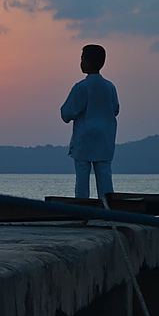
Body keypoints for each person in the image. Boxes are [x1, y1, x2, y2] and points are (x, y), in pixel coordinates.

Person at [60, 44, 119, 200]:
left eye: (82, 59)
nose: (80, 62)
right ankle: (108, 211)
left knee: (82, 181)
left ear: (87, 61)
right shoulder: (110, 87)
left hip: (84, 142)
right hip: (105, 141)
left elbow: (66, 113)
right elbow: (116, 109)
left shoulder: (81, 87)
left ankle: (83, 211)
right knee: (105, 179)